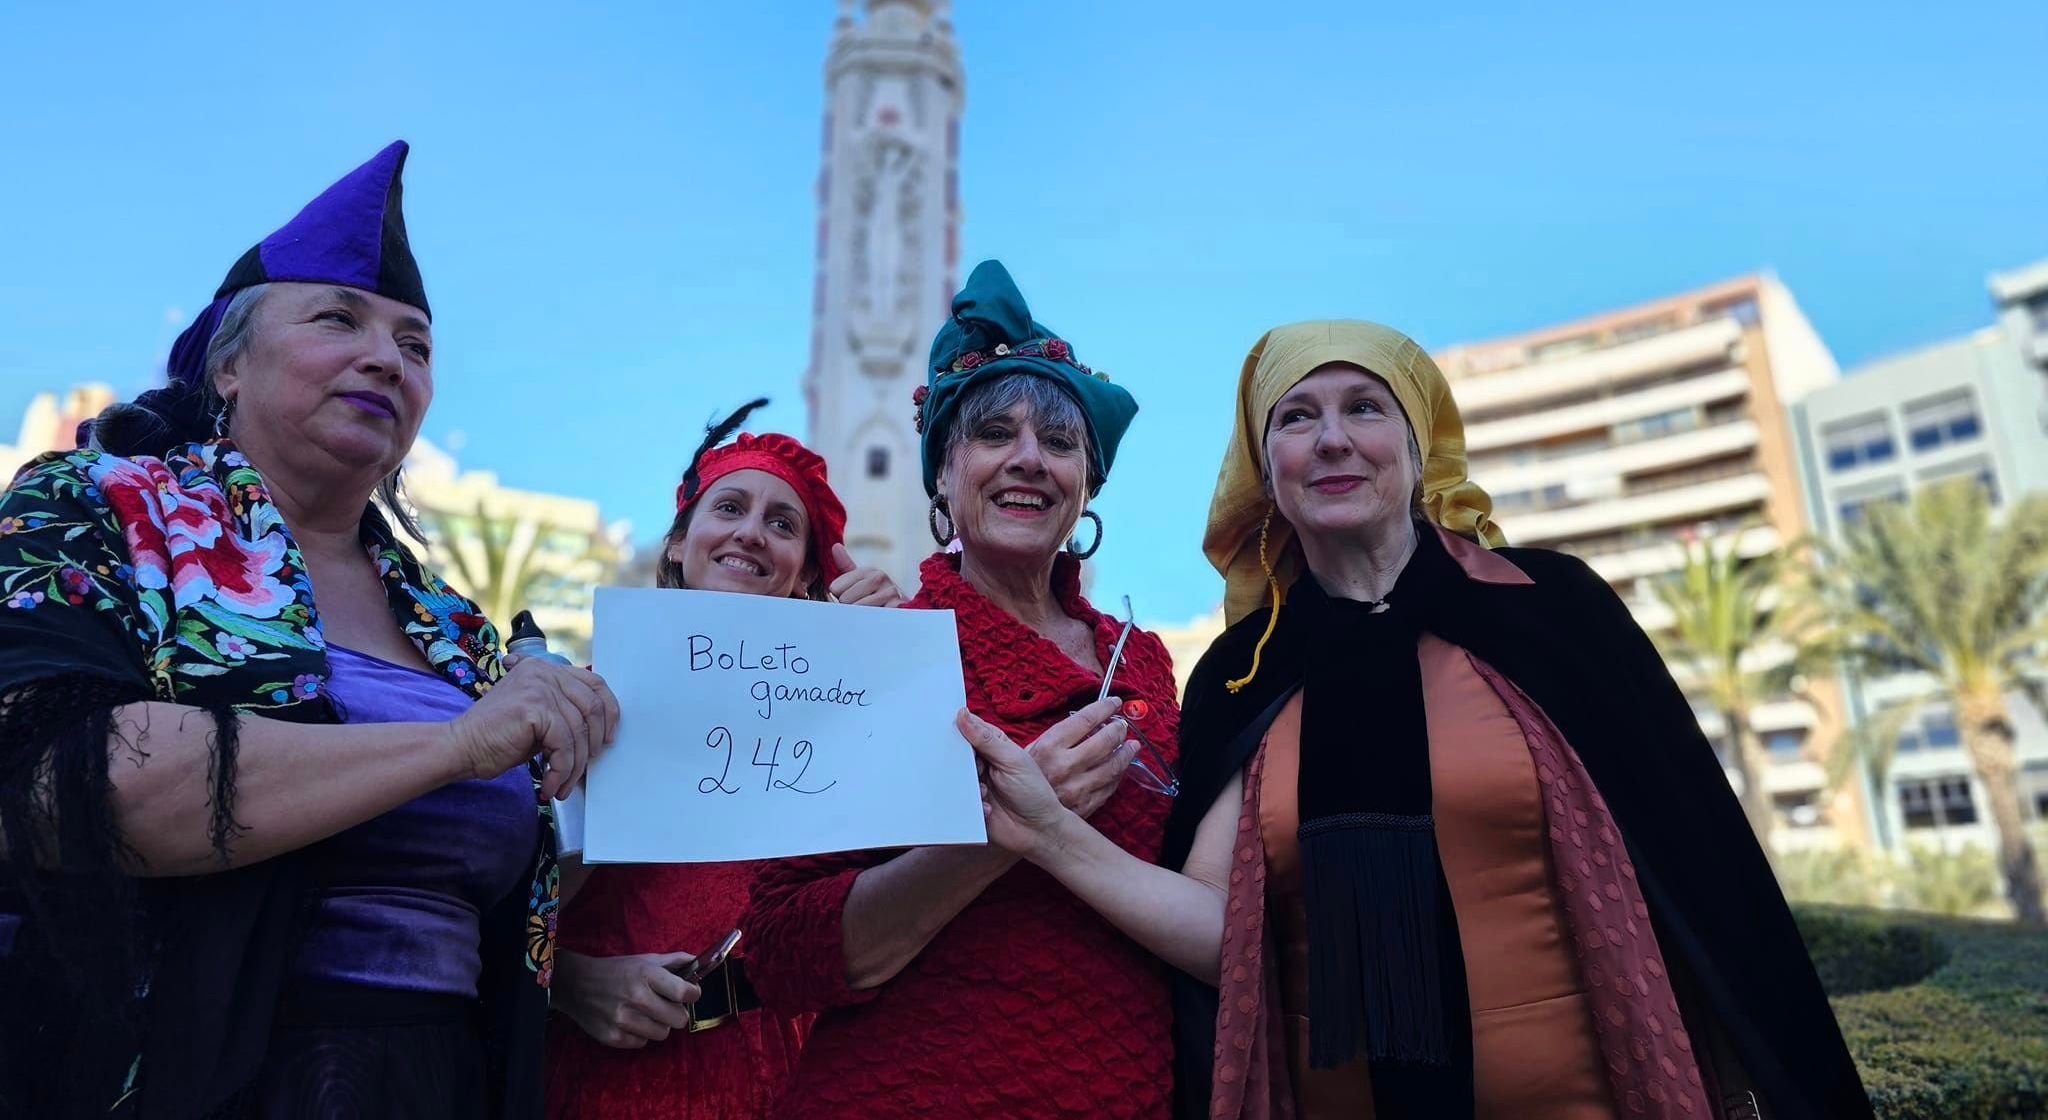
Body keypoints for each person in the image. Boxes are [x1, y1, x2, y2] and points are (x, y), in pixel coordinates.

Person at [960, 320, 1873, 1119]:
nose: (1331, 441)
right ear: (1262, 468)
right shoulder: (1242, 675)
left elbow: (1706, 873)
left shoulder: (1551, 611)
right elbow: (1219, 931)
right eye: (1296, 417)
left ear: (1418, 442)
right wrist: (1045, 833)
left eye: (1365, 407)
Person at [0, 142, 619, 1120]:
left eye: (415, 345)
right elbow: (60, 782)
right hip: (182, 1079)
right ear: (229, 363)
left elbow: (504, 888)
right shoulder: (97, 507)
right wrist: (455, 745)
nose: (387, 356)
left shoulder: (455, 627)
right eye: (340, 318)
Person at [745, 260, 1181, 1118]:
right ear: (942, 473)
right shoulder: (878, 648)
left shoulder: (1145, 662)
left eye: (1059, 443)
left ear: (1086, 486)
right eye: (993, 434)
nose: (1028, 459)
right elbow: (783, 948)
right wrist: (1006, 832)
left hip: (1128, 1085)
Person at [545, 402, 903, 1120]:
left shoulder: (840, 718)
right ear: (678, 542)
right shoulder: (587, 697)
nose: (751, 532)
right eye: (731, 507)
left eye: (782, 523)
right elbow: (489, 899)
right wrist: (570, 981)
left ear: (807, 573)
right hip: (609, 1079)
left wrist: (892, 665)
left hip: (802, 1078)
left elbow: (902, 894)